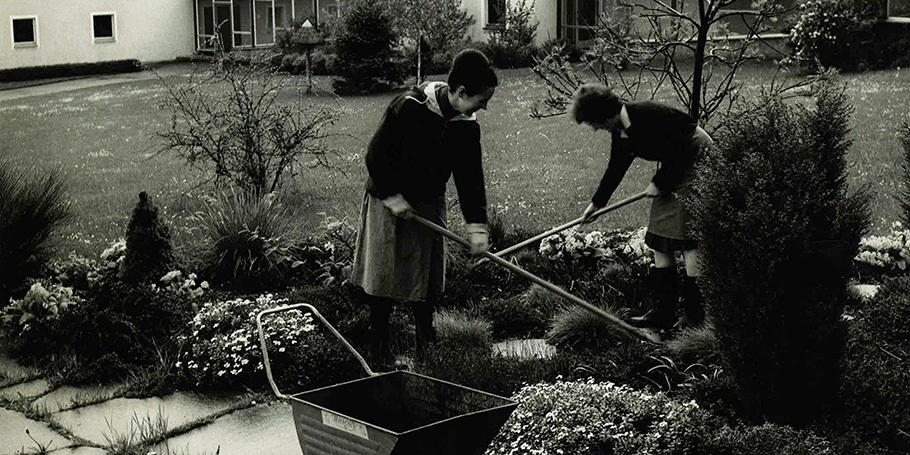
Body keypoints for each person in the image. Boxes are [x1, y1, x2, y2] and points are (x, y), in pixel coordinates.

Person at [350, 49, 498, 367]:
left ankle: (425, 345)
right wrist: (392, 197)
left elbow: (471, 180)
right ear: (460, 92)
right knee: (383, 274)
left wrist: (477, 227)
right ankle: (379, 347)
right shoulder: (410, 106)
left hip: (428, 200)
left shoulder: (466, 126)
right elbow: (375, 156)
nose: (485, 107)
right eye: (482, 99)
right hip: (387, 198)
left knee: (426, 276)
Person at [571, 83, 712, 333]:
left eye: (593, 122)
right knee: (660, 232)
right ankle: (663, 312)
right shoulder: (621, 130)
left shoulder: (646, 115)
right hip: (674, 163)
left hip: (695, 156)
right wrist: (597, 204)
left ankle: (695, 318)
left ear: (605, 114)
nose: (594, 129)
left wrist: (660, 182)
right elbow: (616, 167)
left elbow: (682, 144)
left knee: (688, 234)